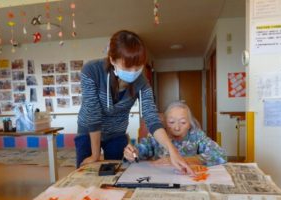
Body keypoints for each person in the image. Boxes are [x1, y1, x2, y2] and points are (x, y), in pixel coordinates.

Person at [75, 30, 193, 174]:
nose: (133, 72)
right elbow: (93, 114)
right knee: (86, 173)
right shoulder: (91, 70)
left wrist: (172, 151)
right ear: (112, 60)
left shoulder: (142, 82)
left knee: (117, 173)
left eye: (138, 67)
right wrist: (95, 155)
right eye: (127, 67)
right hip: (89, 132)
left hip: (116, 134)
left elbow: (151, 118)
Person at [124, 101, 227, 166]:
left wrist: (184, 160)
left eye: (183, 122)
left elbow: (220, 155)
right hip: (161, 178)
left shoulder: (196, 136)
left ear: (190, 124)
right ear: (164, 122)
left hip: (189, 178)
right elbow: (140, 151)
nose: (177, 127)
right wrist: (133, 153)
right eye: (171, 122)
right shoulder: (157, 136)